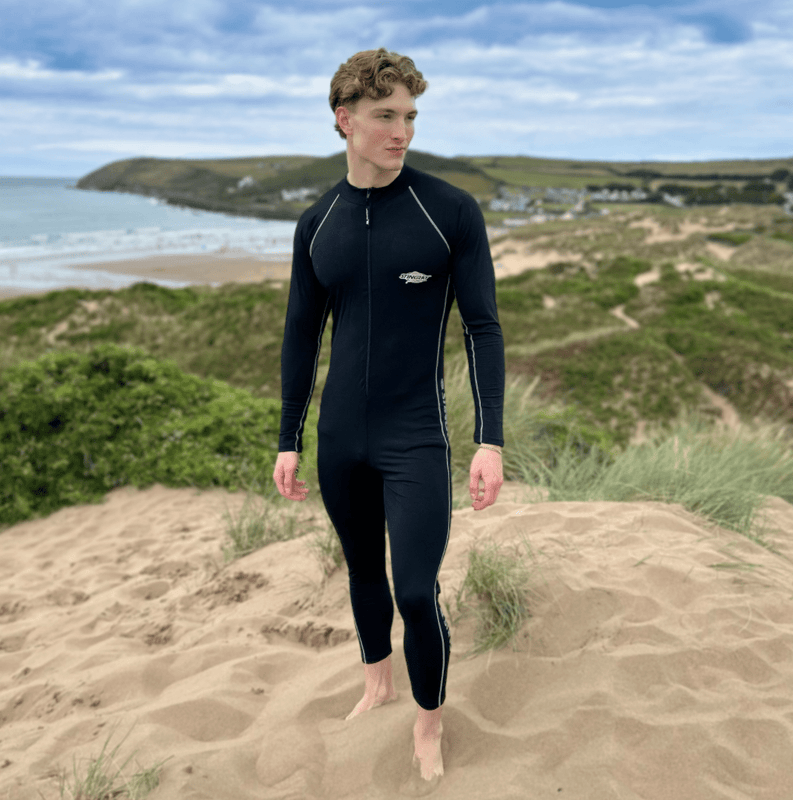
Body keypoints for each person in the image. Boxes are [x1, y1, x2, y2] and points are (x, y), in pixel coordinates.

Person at [273, 47, 505, 785]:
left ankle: (429, 723)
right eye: (384, 116)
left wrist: (489, 439)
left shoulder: (448, 212)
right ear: (344, 120)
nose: (400, 131)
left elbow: (482, 328)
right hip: (340, 437)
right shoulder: (318, 223)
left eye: (409, 116)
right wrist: (288, 440)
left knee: (414, 587)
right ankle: (376, 682)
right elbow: (301, 338)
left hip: (416, 435)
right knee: (362, 571)